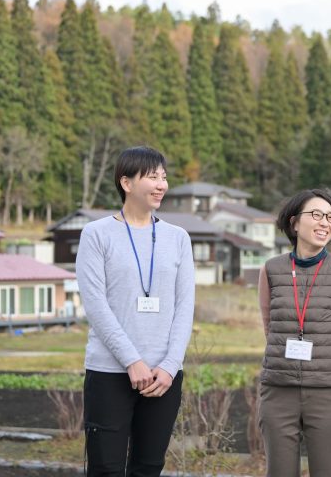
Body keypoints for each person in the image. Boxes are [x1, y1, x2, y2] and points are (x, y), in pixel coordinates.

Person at [76, 146, 195, 476]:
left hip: (163, 378)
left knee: (149, 467)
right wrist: (132, 360)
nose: (161, 184)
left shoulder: (178, 238)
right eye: (152, 177)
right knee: (105, 468)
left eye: (164, 177)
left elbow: (185, 306)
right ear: (126, 182)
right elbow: (96, 305)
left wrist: (170, 366)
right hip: (109, 372)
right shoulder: (96, 234)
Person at [257, 189, 331, 477]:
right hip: (278, 390)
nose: (324, 222)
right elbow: (271, 329)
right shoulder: (271, 270)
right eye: (316, 215)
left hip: (329, 392)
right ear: (294, 223)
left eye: (330, 218)